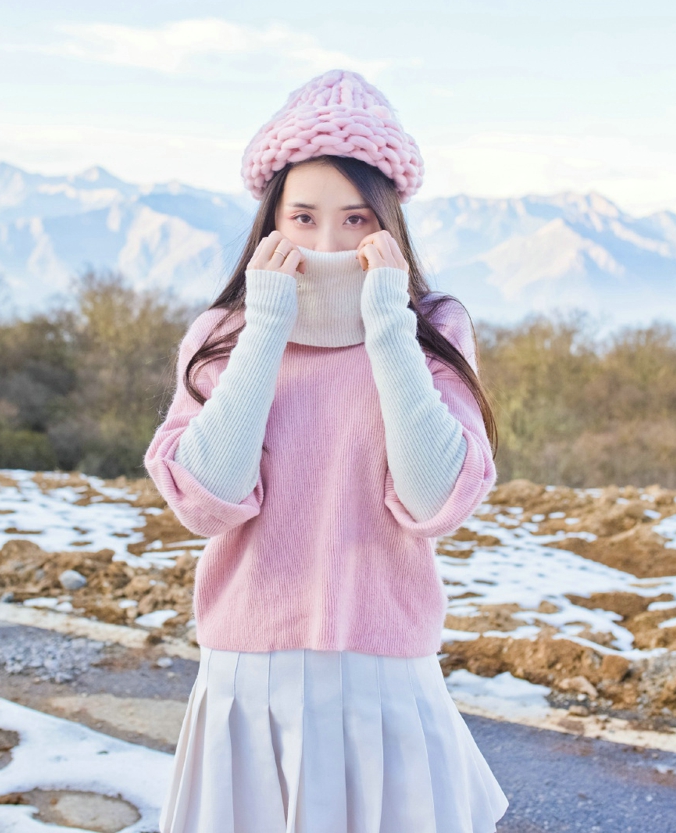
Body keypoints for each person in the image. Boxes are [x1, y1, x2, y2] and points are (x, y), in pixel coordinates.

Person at [144, 69, 509, 832]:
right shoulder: (224, 334)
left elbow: (434, 498)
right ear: (272, 219)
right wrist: (266, 326)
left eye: (355, 220)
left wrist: (387, 326)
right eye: (303, 217)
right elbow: (208, 495)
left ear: (388, 227)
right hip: (249, 681)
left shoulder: (433, 326)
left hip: (385, 681)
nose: (328, 242)